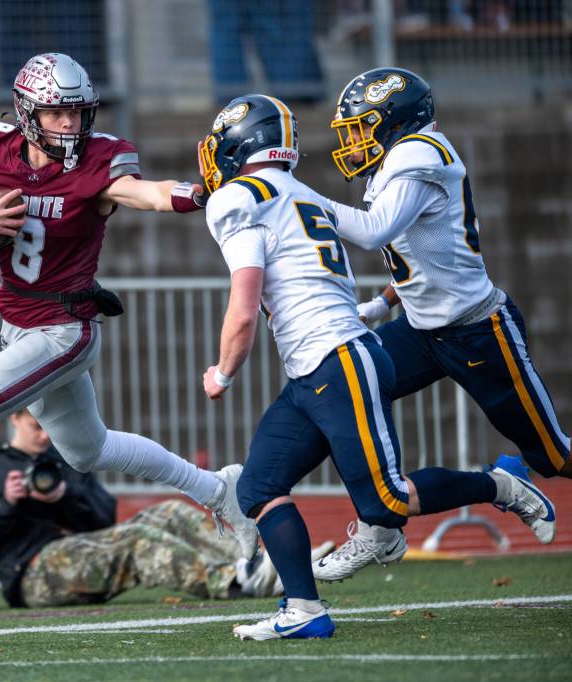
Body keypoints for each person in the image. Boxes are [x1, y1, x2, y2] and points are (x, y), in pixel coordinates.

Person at [0, 52, 256, 623]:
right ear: (28, 112)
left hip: (63, 330)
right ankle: (219, 491)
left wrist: (204, 191)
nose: (70, 124)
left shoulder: (99, 161)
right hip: (20, 327)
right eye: (58, 113)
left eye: (77, 112)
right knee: (88, 451)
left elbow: (147, 193)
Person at [197, 93, 552, 641]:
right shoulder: (296, 192)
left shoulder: (239, 199)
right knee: (260, 486)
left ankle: (499, 486)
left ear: (238, 145)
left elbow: (243, 310)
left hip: (340, 358)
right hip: (316, 366)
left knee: (387, 498)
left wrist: (222, 372)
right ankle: (304, 610)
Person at [311, 67, 563, 581]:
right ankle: (380, 525)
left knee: (556, 456)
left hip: (477, 330)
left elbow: (374, 230)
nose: (353, 142)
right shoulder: (395, 161)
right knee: (343, 392)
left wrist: (291, 195)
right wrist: (380, 306)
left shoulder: (419, 154)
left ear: (394, 123)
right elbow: (421, 257)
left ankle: (513, 481)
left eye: (361, 127)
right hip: (421, 331)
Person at [0, 410, 335, 609]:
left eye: (48, 427)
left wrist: (64, 496)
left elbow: (102, 517)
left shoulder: (62, 460)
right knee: (138, 540)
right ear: (15, 419)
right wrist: (9, 503)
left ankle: (274, 564)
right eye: (35, 426)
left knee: (169, 512)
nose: (43, 436)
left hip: (85, 550)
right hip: (31, 573)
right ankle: (235, 581)